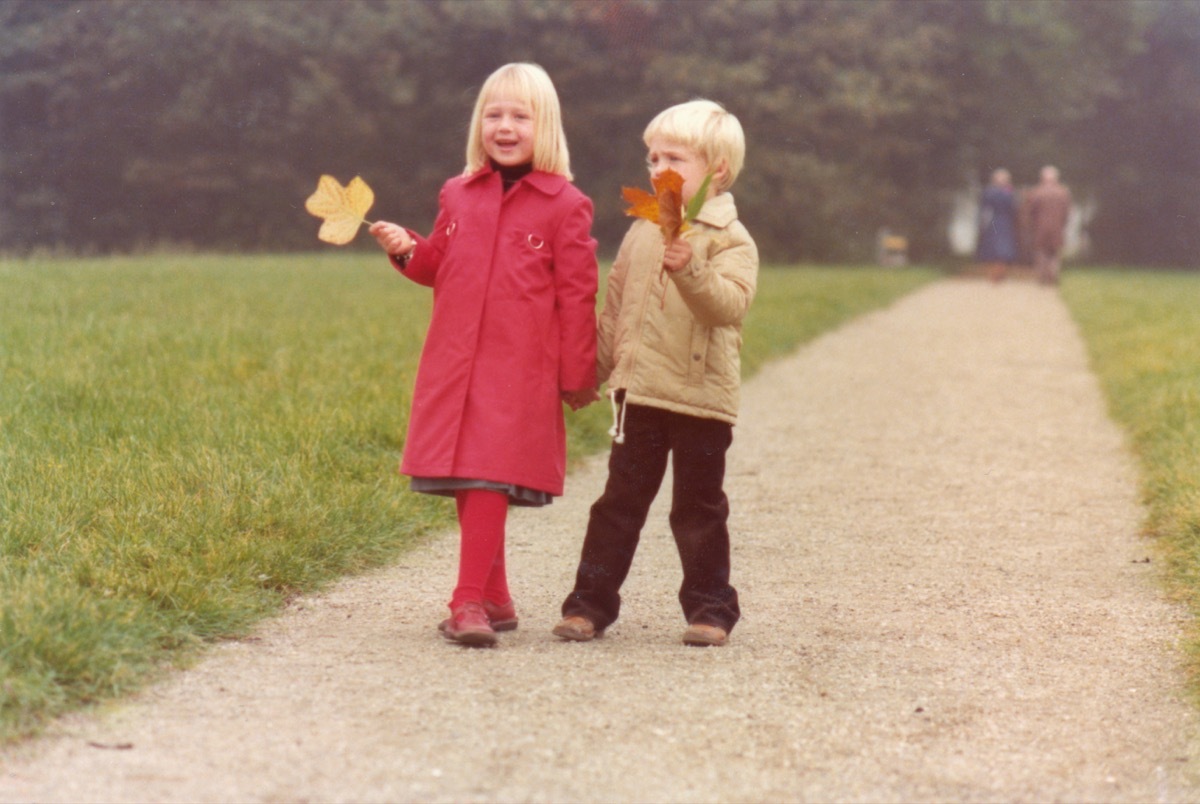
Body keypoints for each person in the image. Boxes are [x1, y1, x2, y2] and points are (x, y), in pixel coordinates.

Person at [369, 63, 599, 647]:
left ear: (543, 125)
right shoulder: (458, 193)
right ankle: (494, 597)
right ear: (479, 124)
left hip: (519, 369)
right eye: (493, 114)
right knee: (473, 476)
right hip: (455, 361)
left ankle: (466, 602)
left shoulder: (565, 205)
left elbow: (577, 295)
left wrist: (577, 375)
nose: (505, 126)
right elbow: (436, 267)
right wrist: (405, 249)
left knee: (487, 476)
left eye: (520, 116)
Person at [552, 100, 759, 648]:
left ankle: (711, 608)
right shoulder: (643, 230)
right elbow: (616, 310)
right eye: (652, 156)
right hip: (637, 393)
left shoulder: (731, 238)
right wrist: (588, 375)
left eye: (674, 157)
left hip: (699, 398)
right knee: (618, 504)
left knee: (698, 510)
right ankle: (588, 605)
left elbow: (726, 307)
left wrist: (689, 265)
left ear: (716, 169)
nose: (657, 167)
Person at [1024, 165, 1073, 285]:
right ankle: (1053, 275)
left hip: (1040, 228)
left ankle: (1042, 277)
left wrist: (1030, 226)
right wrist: (1063, 224)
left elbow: (1029, 212)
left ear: (1042, 178)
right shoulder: (1063, 193)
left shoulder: (1036, 192)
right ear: (1056, 178)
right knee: (1055, 253)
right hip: (1057, 228)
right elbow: (1067, 212)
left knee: (1041, 253)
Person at [975, 168, 1018, 282]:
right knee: (1001, 248)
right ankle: (997, 274)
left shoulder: (988, 191)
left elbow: (983, 208)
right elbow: (1013, 207)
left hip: (994, 221)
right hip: (1001, 221)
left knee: (993, 247)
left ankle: (994, 274)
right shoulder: (1008, 192)